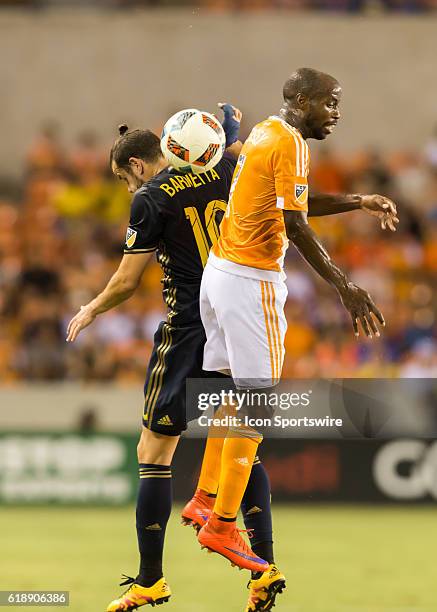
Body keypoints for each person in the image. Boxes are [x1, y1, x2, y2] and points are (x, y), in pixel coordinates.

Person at [66, 97, 397, 611]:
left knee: (154, 454)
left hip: (190, 327)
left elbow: (128, 281)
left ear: (136, 164)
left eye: (123, 178)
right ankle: (264, 567)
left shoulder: (151, 197)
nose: (128, 187)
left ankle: (151, 578)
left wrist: (91, 307)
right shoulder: (227, 163)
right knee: (243, 437)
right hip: (235, 306)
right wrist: (231, 127)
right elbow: (290, 202)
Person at [194, 69, 398, 610]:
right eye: (331, 104)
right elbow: (297, 224)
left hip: (220, 270)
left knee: (230, 390)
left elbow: (298, 204)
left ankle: (204, 496)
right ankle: (219, 526)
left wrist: (358, 200)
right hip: (250, 279)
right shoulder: (289, 144)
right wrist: (345, 286)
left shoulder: (268, 132)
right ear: (302, 101)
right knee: (259, 403)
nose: (336, 113)